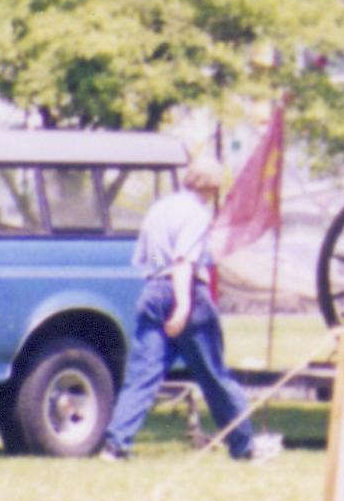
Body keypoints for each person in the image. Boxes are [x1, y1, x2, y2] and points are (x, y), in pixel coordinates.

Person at [104, 154, 279, 463]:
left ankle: (116, 445)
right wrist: (183, 306)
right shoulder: (197, 214)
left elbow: (142, 258)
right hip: (185, 292)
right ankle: (244, 444)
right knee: (214, 374)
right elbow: (183, 260)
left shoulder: (159, 209)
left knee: (143, 376)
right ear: (211, 188)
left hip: (152, 290)